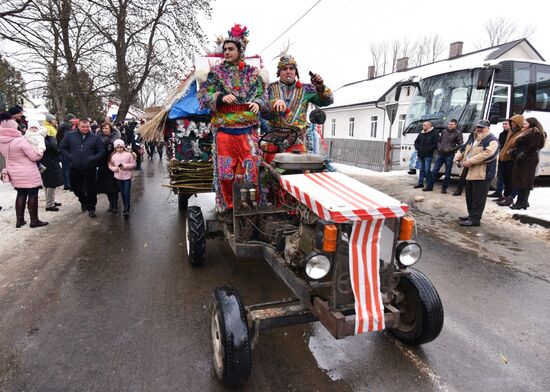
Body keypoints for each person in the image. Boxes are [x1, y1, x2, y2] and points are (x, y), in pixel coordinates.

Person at [197, 23, 266, 214]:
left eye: (230, 49)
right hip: (225, 132)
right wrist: (219, 97)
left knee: (250, 172)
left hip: (248, 132)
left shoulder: (253, 74)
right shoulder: (216, 73)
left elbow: (263, 94)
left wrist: (258, 103)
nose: (226, 52)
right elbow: (203, 96)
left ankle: (251, 206)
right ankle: (228, 206)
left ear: (240, 51)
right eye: (225, 49)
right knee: (226, 174)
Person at [263, 53, 333, 162]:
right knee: (270, 174)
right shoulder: (270, 88)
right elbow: (263, 112)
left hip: (296, 141)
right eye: (284, 69)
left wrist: (320, 87)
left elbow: (327, 101)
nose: (288, 71)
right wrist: (273, 104)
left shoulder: (307, 89)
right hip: (273, 141)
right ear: (279, 72)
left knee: (297, 173)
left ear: (296, 72)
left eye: (291, 68)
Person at [0, 113, 48, 227]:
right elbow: (35, 157)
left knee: (21, 194)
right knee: (32, 195)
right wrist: (40, 150)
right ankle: (34, 220)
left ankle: (19, 220)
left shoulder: (2, 141)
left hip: (13, 171)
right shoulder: (20, 141)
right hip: (28, 172)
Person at [454, 119, 498, 227]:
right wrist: (457, 157)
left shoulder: (492, 140)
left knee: (479, 198)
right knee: (470, 196)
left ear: (488, 128)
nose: (479, 129)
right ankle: (471, 215)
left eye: (482, 127)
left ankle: (475, 219)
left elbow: (489, 154)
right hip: (470, 172)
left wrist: (470, 161)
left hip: (483, 174)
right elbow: (463, 149)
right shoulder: (472, 137)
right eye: (478, 127)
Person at [60, 118, 105, 217]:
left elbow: (101, 151)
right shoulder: (70, 135)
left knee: (91, 189)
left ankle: (91, 208)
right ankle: (83, 200)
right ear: (78, 126)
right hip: (75, 166)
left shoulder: (95, 138)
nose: (85, 128)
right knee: (75, 187)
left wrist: (92, 158)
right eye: (83, 127)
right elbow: (63, 148)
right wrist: (70, 157)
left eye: (87, 127)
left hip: (90, 167)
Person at [509, 117, 546, 210]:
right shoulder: (528, 132)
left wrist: (523, 155)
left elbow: (533, 146)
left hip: (528, 160)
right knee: (521, 181)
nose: (523, 125)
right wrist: (515, 152)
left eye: (525, 124)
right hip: (524, 160)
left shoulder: (535, 133)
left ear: (532, 124)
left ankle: (522, 202)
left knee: (525, 182)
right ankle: (522, 202)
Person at [426, 119, 463, 193]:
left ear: (455, 125)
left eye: (452, 124)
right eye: (449, 124)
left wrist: (451, 149)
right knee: (434, 171)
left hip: (449, 155)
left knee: (447, 173)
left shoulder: (458, 133)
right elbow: (439, 141)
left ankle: (444, 189)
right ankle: (429, 187)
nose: (450, 125)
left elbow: (460, 144)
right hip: (440, 154)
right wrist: (439, 147)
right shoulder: (444, 131)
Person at [95, 122, 121, 213]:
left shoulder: (116, 139)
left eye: (106, 128)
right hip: (103, 165)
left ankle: (115, 205)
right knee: (106, 186)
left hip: (113, 164)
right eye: (103, 128)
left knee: (114, 186)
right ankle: (111, 204)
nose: (105, 130)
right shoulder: (98, 138)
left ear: (110, 128)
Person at [109, 139, 136, 217]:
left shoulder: (128, 154)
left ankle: (126, 208)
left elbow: (133, 164)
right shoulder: (113, 156)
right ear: (115, 148)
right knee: (123, 193)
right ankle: (125, 205)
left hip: (127, 176)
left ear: (123, 147)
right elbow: (110, 164)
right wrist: (114, 169)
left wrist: (125, 166)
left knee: (126, 192)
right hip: (118, 177)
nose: (119, 149)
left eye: (121, 147)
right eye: (117, 148)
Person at [40, 131, 64, 211]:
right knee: (50, 184)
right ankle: (49, 204)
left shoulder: (42, 139)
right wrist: (52, 139)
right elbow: (52, 146)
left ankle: (50, 201)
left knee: (48, 184)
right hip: (48, 163)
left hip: (48, 162)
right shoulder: (41, 140)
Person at [487, 120, 510, 199]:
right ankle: (498, 191)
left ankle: (506, 194)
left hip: (508, 157)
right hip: (501, 156)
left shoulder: (511, 134)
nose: (504, 125)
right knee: (500, 175)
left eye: (506, 124)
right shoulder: (502, 134)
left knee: (506, 177)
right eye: (503, 124)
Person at [413, 121, 439, 190]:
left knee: (427, 170)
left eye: (424, 125)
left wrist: (428, 149)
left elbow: (435, 144)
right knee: (421, 169)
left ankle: (429, 186)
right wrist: (418, 148)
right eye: (423, 125)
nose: (423, 126)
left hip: (428, 155)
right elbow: (416, 142)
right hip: (420, 155)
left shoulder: (435, 133)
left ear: (429, 126)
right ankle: (420, 183)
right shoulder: (421, 133)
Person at [57, 113, 77, 190]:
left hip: (62, 148)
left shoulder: (63, 125)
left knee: (65, 167)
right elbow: (68, 137)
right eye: (73, 119)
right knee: (68, 167)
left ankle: (66, 184)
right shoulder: (67, 125)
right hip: (66, 149)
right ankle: (69, 184)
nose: (74, 120)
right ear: (69, 119)